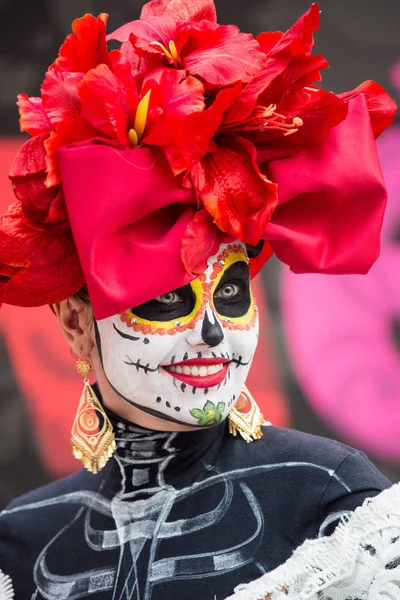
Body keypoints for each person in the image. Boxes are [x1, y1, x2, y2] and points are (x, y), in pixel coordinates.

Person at [0, 0, 398, 598]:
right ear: (79, 325)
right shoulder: (19, 543)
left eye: (232, 293)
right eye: (165, 299)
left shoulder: (329, 500)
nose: (212, 331)